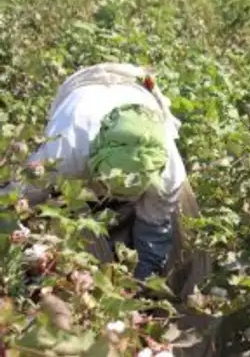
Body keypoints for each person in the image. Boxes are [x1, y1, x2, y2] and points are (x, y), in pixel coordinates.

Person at [1, 62, 210, 300]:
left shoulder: (167, 171)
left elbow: (154, 231)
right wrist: (24, 243)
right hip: (83, 88)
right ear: (94, 164)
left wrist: (141, 282)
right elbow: (14, 201)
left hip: (138, 88)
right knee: (57, 213)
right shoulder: (63, 154)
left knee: (180, 221)